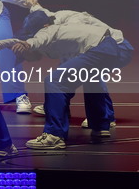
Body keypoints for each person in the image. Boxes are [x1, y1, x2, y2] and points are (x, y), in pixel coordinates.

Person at [12, 11, 133, 149]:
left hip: (110, 47)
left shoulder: (49, 30)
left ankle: (54, 136)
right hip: (111, 48)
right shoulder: (59, 34)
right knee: (89, 77)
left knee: (54, 81)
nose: (26, 60)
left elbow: (40, 38)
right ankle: (100, 125)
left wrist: (27, 44)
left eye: (24, 56)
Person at [27, 6, 119, 129]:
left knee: (91, 77)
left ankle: (107, 117)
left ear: (45, 26)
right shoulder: (48, 19)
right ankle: (59, 106)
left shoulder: (73, 24)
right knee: (64, 75)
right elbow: (36, 9)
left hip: (107, 43)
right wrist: (30, 3)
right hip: (91, 45)